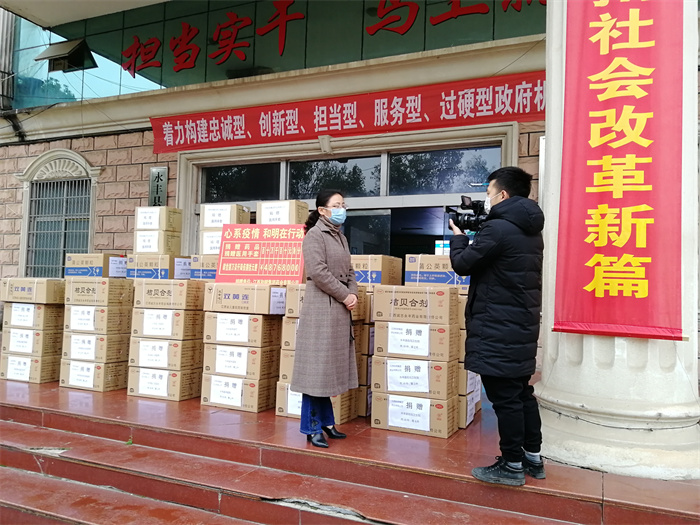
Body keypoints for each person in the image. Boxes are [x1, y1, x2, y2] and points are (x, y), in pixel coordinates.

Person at [448, 166, 545, 487]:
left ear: (502, 194)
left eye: (488, 193)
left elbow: (463, 264)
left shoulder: (499, 229)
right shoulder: (530, 229)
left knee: (505, 400)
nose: (486, 199)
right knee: (522, 394)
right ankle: (532, 458)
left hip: (497, 328)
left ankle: (512, 465)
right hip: (519, 327)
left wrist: (458, 238)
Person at [291, 189, 359, 448]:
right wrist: (345, 295)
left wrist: (353, 294)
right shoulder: (314, 235)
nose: (342, 209)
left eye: (343, 205)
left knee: (326, 371)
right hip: (321, 309)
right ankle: (311, 428)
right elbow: (318, 273)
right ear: (322, 210)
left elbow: (350, 270)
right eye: (337, 205)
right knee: (315, 372)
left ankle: (327, 423)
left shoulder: (340, 236)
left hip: (339, 308)